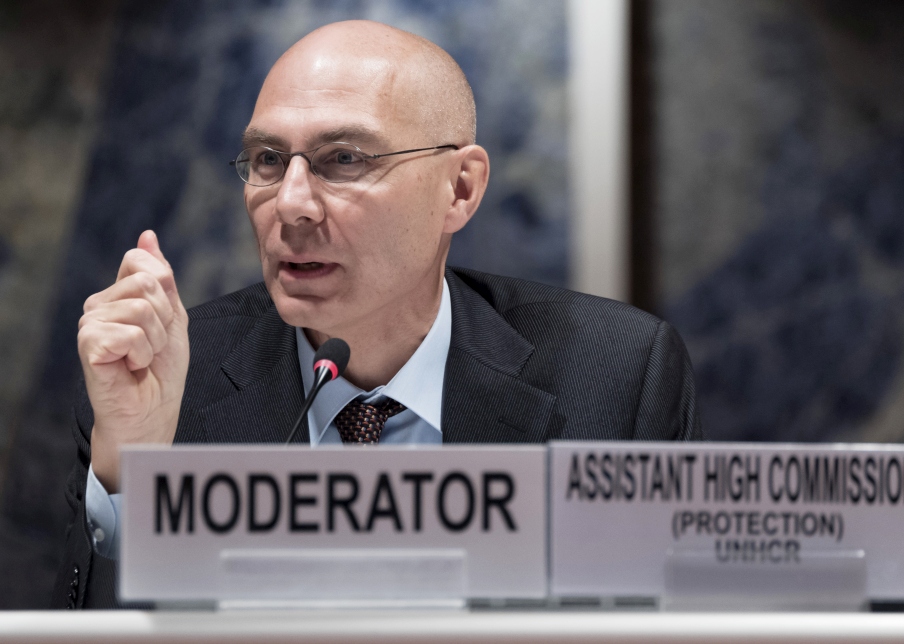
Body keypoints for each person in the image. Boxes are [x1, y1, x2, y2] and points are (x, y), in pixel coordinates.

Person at [52, 20, 701, 609]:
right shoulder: (166, 384)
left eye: (344, 160)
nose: (292, 205)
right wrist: (136, 466)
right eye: (269, 162)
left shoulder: (616, 375)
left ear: (461, 189)